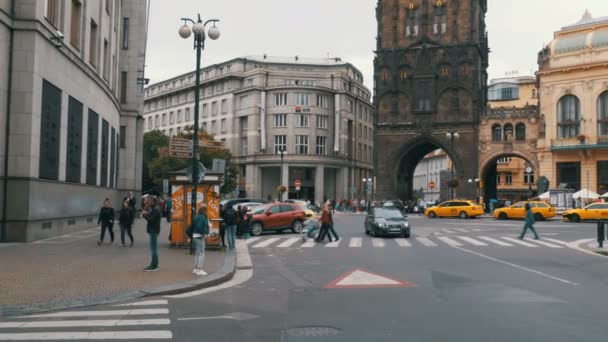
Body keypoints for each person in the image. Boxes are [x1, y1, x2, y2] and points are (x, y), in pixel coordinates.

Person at [142, 196, 161, 271]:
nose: (147, 202)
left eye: (149, 201)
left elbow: (151, 219)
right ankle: (154, 264)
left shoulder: (155, 209)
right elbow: (151, 217)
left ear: (153, 201)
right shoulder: (155, 208)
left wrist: (144, 215)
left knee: (153, 249)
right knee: (154, 248)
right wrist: (147, 213)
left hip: (153, 230)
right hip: (154, 230)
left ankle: (154, 266)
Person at [192, 205, 209, 276]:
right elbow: (201, 226)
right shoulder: (203, 217)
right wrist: (203, 233)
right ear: (205, 210)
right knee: (202, 253)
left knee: (197, 252)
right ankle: (199, 269)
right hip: (200, 236)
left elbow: (195, 225)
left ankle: (195, 269)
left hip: (195, 235)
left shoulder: (196, 216)